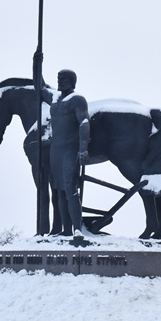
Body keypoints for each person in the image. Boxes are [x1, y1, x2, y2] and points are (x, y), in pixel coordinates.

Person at [43, 69, 90, 236]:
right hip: (56, 151)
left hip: (70, 150)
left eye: (63, 79)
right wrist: (36, 62)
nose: (60, 81)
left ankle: (77, 229)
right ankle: (66, 230)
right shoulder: (55, 99)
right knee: (59, 190)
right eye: (58, 78)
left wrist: (83, 148)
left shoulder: (77, 99)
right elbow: (38, 87)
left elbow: (84, 122)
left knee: (70, 188)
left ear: (72, 81)